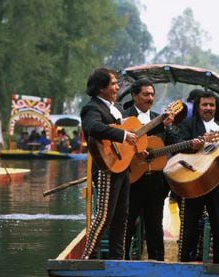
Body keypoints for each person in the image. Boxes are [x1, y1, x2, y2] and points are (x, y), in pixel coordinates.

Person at [171, 90, 219, 264]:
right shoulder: (188, 125)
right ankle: (183, 263)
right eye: (204, 105)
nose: (208, 108)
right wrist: (194, 146)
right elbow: (177, 148)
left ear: (216, 108)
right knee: (189, 227)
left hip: (218, 183)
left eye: (211, 105)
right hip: (193, 182)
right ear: (198, 107)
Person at [80, 67, 138, 260]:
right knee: (104, 216)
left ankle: (117, 259)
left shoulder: (118, 108)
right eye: (113, 83)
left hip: (122, 166)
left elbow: (131, 133)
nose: (117, 87)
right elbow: (93, 127)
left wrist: (162, 123)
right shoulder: (92, 108)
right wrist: (122, 135)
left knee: (122, 216)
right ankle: (87, 257)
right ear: (100, 88)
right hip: (106, 167)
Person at [123, 79, 174, 261]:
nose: (150, 98)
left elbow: (171, 143)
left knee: (154, 226)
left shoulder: (160, 118)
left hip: (155, 182)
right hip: (132, 179)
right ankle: (121, 262)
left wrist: (171, 128)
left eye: (152, 94)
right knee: (127, 224)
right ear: (134, 95)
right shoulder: (124, 117)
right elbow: (117, 147)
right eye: (146, 94)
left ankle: (158, 263)